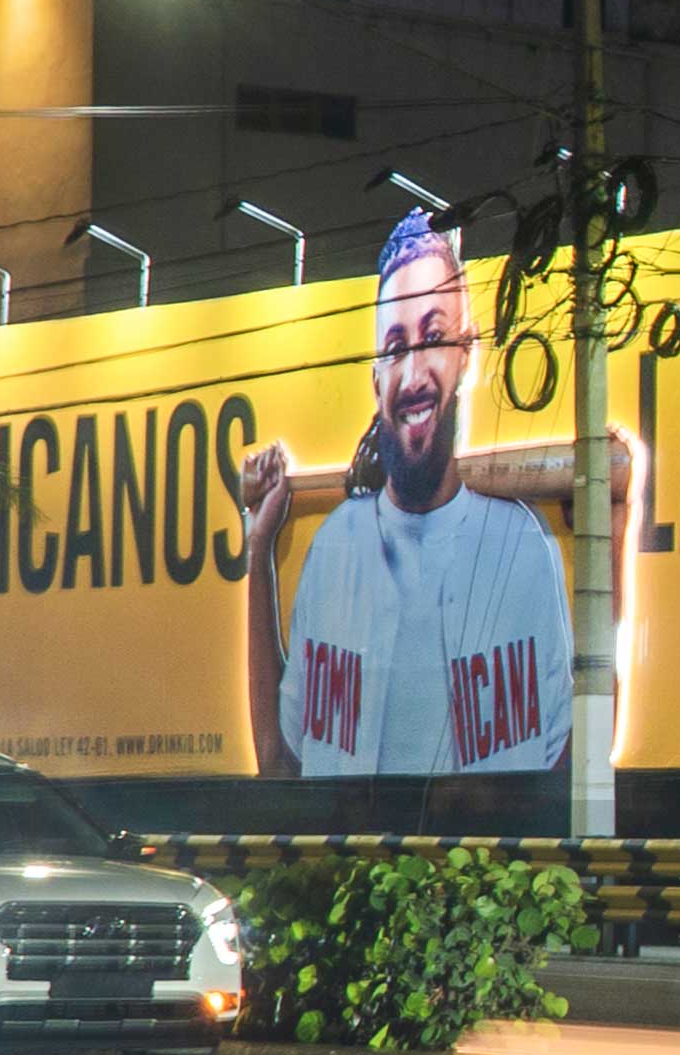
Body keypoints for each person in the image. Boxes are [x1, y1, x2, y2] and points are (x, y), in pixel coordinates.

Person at [237, 208, 575, 778]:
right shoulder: (335, 548)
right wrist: (259, 547)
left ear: (467, 354)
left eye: (434, 337)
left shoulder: (521, 543)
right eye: (395, 347)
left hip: (484, 842)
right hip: (352, 841)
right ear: (376, 380)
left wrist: (611, 535)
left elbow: (569, 762)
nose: (414, 374)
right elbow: (278, 762)